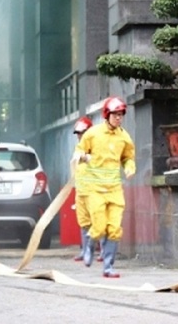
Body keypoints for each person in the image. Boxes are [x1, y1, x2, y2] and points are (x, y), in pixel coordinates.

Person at [76, 96, 136, 277]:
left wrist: (129, 167)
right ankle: (88, 246)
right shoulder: (92, 133)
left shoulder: (124, 137)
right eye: (115, 114)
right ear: (107, 114)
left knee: (115, 229)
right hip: (96, 190)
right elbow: (79, 150)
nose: (118, 118)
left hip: (115, 190)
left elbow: (128, 157)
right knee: (99, 226)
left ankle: (108, 267)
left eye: (121, 115)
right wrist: (84, 157)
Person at [72, 116, 94, 262]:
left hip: (94, 191)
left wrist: (86, 157)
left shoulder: (96, 147)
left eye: (82, 133)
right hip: (81, 191)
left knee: (98, 221)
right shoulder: (78, 149)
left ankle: (102, 252)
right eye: (78, 134)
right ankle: (85, 250)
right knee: (83, 222)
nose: (80, 136)